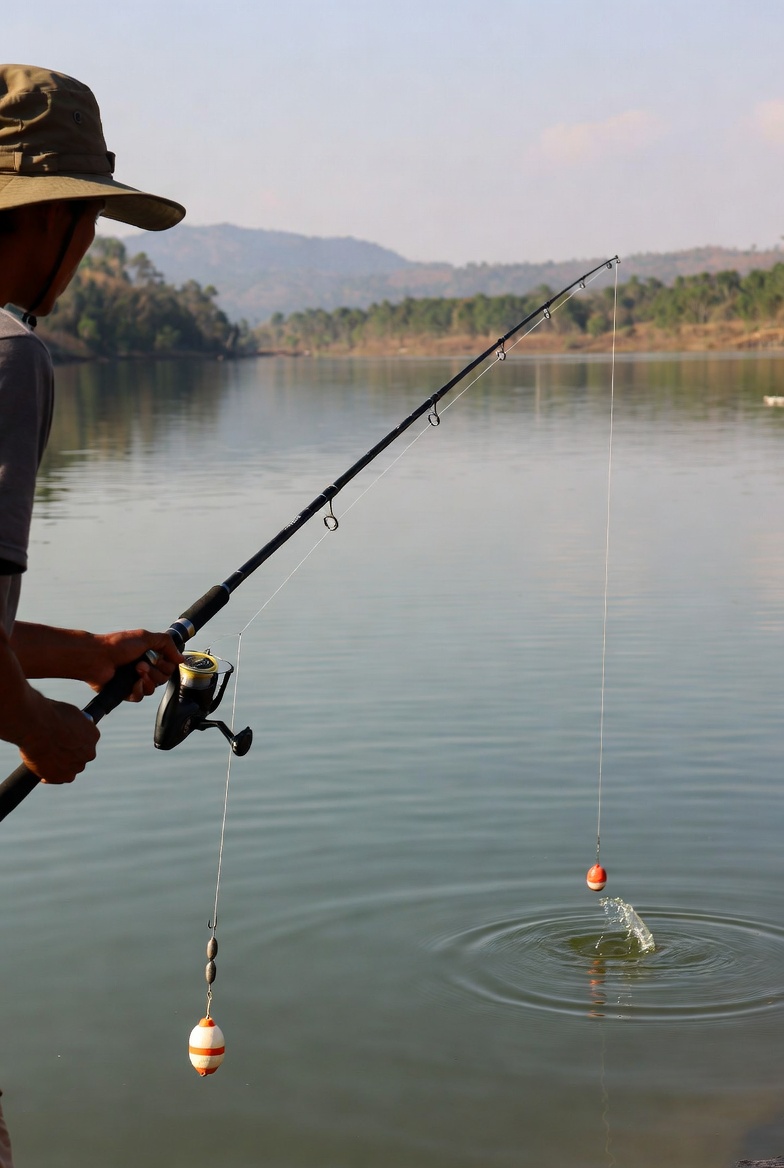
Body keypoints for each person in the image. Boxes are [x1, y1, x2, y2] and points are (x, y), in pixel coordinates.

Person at [0, 64, 188, 1165]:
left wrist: (87, 657)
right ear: (56, 218)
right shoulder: (13, 355)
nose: (91, 250)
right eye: (92, 219)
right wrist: (38, 724)